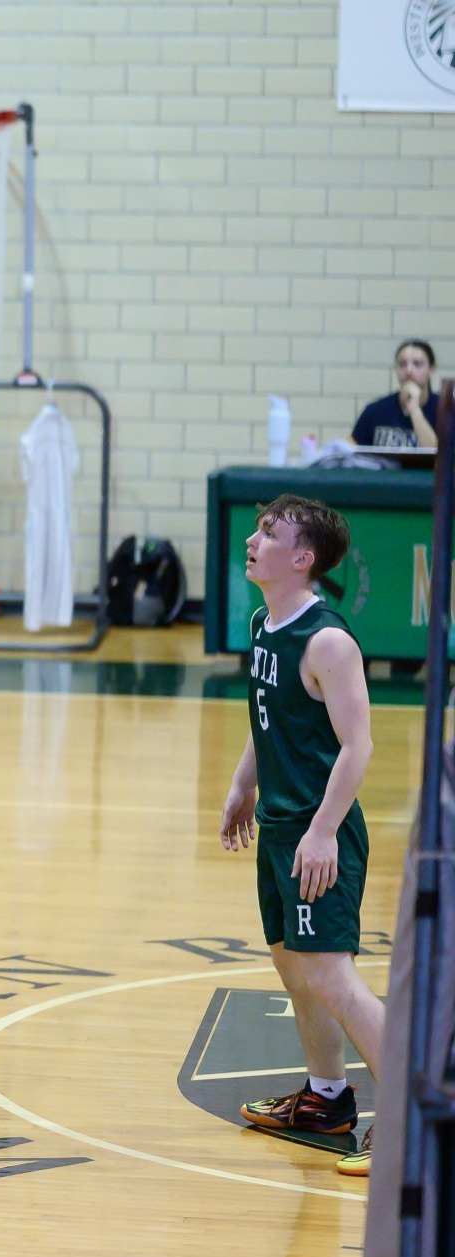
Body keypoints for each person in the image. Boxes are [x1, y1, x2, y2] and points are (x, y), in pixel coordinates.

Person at [221, 495, 382, 1178]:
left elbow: (359, 746)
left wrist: (322, 832)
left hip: (321, 834)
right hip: (282, 826)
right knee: (292, 962)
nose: (253, 540)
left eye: (269, 532)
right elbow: (269, 718)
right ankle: (325, 1099)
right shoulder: (264, 623)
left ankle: (409, 1117)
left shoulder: (328, 642)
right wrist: (243, 783)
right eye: (258, 528)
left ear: (303, 557)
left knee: (331, 974)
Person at [350, 339, 440, 453]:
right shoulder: (374, 411)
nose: (409, 370)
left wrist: (414, 410)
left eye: (417, 364)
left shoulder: (446, 411)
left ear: (431, 370)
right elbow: (350, 454)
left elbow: (440, 457)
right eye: (402, 364)